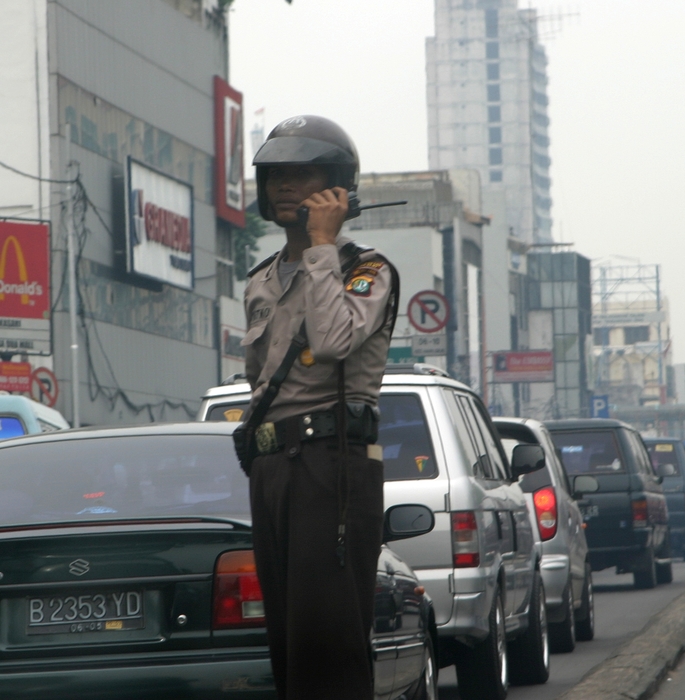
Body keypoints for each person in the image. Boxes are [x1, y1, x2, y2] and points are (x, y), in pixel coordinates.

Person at [241, 115, 398, 699]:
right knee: (286, 638)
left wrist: (325, 246)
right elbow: (259, 384)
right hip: (275, 468)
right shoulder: (261, 279)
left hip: (332, 464)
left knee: (327, 635)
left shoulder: (366, 271)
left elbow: (332, 342)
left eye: (302, 174)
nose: (284, 186)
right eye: (276, 175)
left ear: (336, 186)